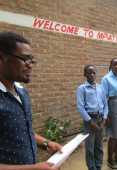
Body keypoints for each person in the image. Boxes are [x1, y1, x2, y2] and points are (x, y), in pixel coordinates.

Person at [0, 32, 62, 170]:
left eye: (32, 60)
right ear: (2, 58)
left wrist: (46, 143)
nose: (30, 65)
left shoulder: (22, 92)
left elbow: (21, 131)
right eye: (25, 59)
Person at [76, 65, 108, 170]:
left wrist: (104, 118)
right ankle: (92, 167)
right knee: (90, 147)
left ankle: (98, 166)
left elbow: (105, 104)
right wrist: (90, 122)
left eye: (94, 72)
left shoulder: (100, 87)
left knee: (99, 145)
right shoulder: (82, 89)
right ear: (85, 74)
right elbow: (80, 107)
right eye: (89, 73)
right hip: (90, 120)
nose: (92, 75)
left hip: (100, 119)